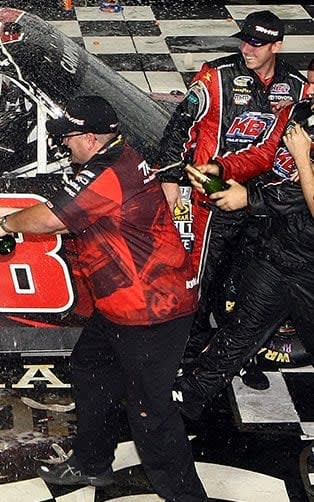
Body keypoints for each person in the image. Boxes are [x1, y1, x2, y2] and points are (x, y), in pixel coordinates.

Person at [0, 96, 205, 500]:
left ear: (89, 138)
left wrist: (3, 223)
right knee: (90, 368)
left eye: (67, 138)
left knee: (150, 413)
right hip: (124, 307)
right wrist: (4, 212)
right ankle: (92, 463)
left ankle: (187, 497)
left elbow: (54, 219)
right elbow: (73, 213)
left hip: (153, 311)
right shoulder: (117, 157)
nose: (64, 145)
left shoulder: (108, 173)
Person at [155, 10, 307, 389]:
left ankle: (239, 354)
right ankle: (185, 358)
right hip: (213, 201)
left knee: (247, 283)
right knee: (201, 280)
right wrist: (173, 179)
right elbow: (179, 126)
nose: (247, 48)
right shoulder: (215, 75)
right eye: (244, 40)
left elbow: (281, 150)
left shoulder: (296, 86)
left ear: (277, 46)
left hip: (264, 203)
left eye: (256, 43)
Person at [174, 100, 314, 419]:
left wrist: (302, 162)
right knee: (241, 330)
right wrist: (222, 174)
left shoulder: (303, 142)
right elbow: (265, 162)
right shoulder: (301, 114)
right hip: (278, 252)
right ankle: (189, 396)